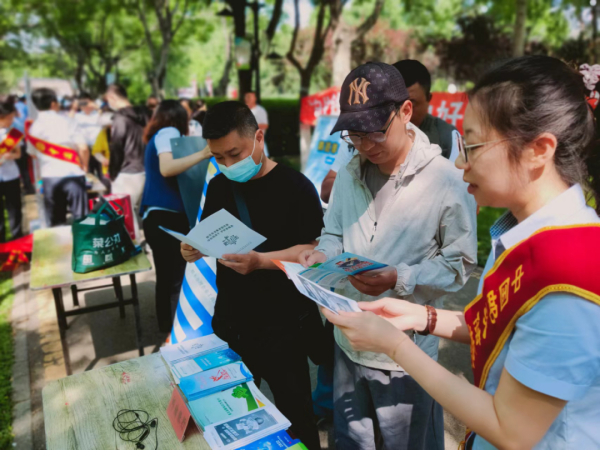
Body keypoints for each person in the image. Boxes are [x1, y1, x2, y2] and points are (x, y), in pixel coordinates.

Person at [323, 55, 600, 450]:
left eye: (471, 144)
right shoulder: (526, 238)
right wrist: (424, 316)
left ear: (538, 150)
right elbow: (502, 325)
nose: (459, 161)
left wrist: (396, 344)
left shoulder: (568, 270)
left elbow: (513, 430)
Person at [299, 62, 477, 450]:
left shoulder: (446, 182)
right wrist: (321, 254)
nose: (365, 145)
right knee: (351, 442)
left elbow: (460, 266)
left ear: (406, 111)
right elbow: (334, 230)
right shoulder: (349, 172)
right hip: (348, 341)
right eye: (355, 135)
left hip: (406, 357)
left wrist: (399, 276)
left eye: (375, 132)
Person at [180, 101, 327, 449]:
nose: (228, 165)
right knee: (232, 419)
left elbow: (313, 252)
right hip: (232, 324)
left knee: (296, 420)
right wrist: (191, 248)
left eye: (235, 153)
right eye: (219, 157)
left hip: (284, 329)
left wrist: (260, 261)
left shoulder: (296, 186)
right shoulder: (219, 186)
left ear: (259, 137)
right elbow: (210, 234)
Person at [140, 100, 212, 333]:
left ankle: (165, 329)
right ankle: (175, 331)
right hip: (166, 218)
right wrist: (203, 153)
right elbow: (167, 168)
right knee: (175, 280)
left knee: (165, 278)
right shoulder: (168, 132)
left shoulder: (155, 136)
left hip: (155, 216)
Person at [28, 88, 90, 226]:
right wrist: (84, 166)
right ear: (53, 103)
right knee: (82, 220)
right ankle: (85, 247)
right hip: (74, 174)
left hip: (50, 177)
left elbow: (32, 153)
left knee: (56, 222)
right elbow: (84, 148)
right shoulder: (68, 121)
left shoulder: (34, 128)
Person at [105, 84, 151, 233]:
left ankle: (133, 251)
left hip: (127, 173)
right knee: (144, 214)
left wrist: (112, 173)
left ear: (112, 97)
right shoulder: (146, 114)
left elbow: (116, 148)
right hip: (148, 170)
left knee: (124, 217)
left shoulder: (120, 119)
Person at [393, 59, 458, 159]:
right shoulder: (371, 137)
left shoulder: (448, 137)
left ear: (428, 98)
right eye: (394, 104)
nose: (402, 113)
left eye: (411, 103)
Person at [0, 97, 23, 241]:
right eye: (10, 118)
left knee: (14, 210)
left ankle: (17, 240)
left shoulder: (12, 135)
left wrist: (9, 156)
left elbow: (19, 154)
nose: (12, 121)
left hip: (11, 176)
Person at [244, 91, 269, 157]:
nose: (248, 99)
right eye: (247, 97)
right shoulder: (243, 111)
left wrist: (251, 126)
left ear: (254, 99)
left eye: (250, 97)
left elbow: (265, 125)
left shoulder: (260, 110)